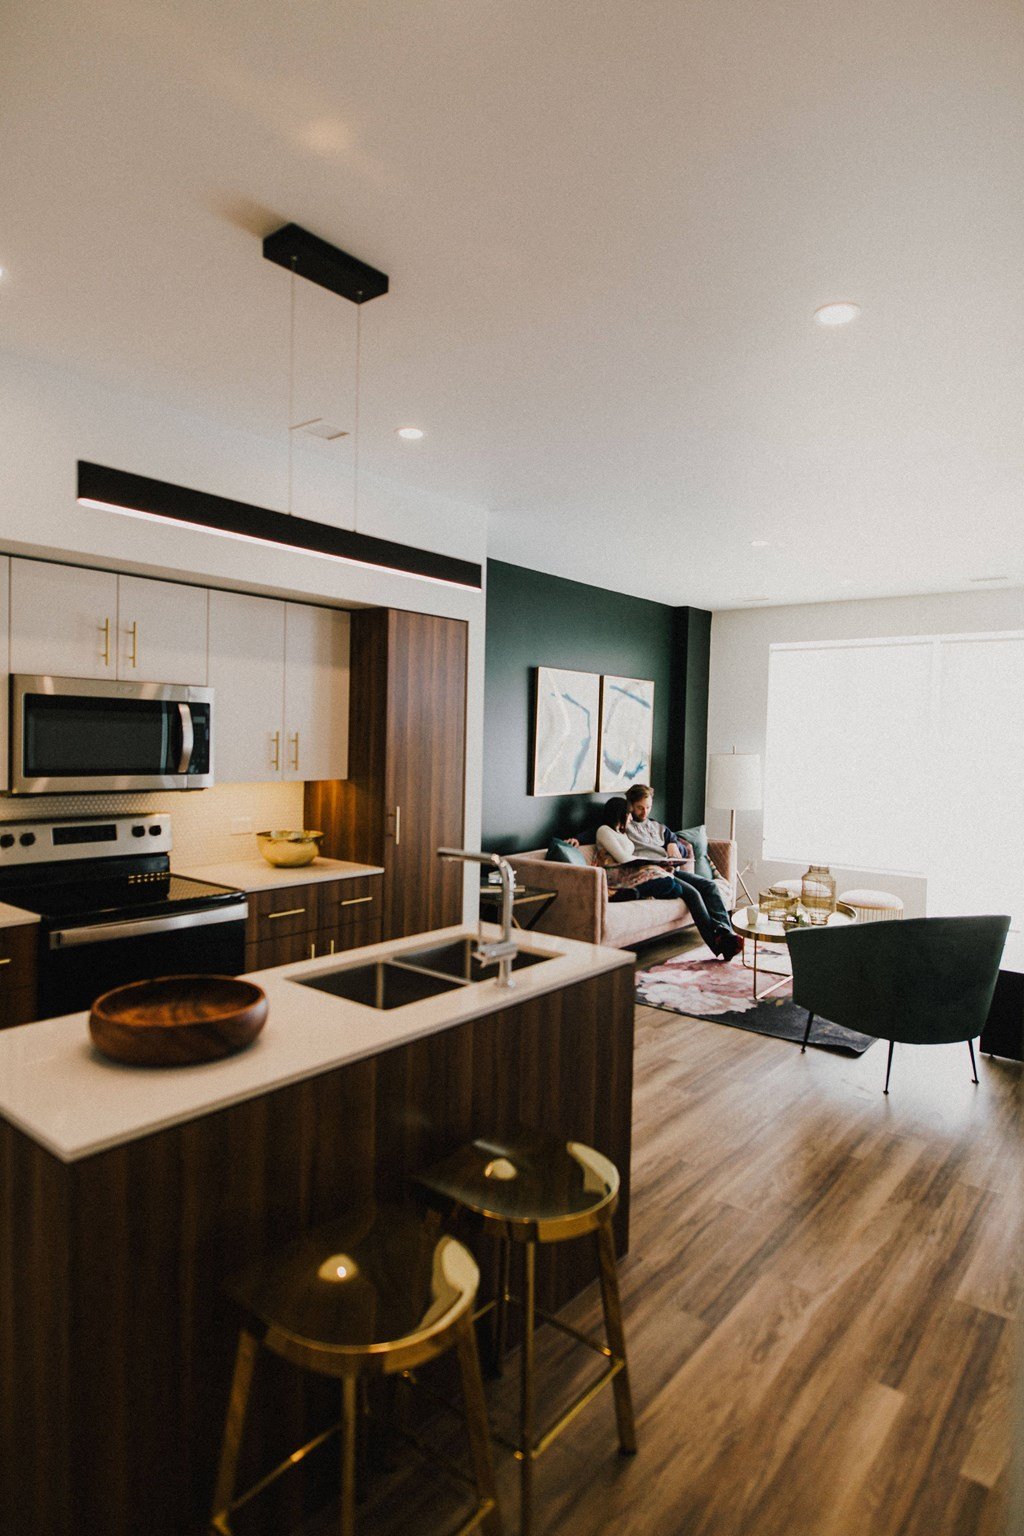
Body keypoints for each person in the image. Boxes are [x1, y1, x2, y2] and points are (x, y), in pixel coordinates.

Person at [594, 797, 739, 959]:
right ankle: (717, 943)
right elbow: (623, 859)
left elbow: (667, 834)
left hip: (655, 868)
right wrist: (578, 840)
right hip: (635, 874)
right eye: (628, 813)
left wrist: (667, 851)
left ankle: (725, 932)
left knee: (709, 886)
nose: (631, 817)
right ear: (620, 814)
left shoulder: (621, 831)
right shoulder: (604, 831)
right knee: (692, 894)